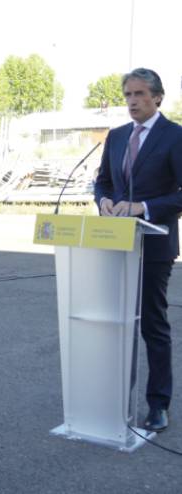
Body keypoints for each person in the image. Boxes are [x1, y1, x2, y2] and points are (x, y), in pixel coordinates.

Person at [95, 68, 182, 433]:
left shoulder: (175, 136)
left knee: (152, 325)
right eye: (128, 94)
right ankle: (118, 397)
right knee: (116, 324)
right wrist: (104, 202)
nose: (132, 101)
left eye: (140, 94)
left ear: (157, 97)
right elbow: (103, 182)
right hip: (116, 242)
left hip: (154, 245)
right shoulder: (116, 136)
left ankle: (158, 404)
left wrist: (142, 208)